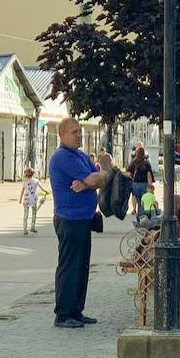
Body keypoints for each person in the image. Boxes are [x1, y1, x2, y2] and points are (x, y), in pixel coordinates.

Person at [49, 118, 113, 329]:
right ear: (63, 135)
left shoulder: (80, 155)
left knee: (82, 266)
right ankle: (64, 314)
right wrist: (91, 180)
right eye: (74, 132)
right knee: (69, 266)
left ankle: (77, 310)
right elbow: (97, 178)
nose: (79, 135)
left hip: (84, 219)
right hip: (69, 219)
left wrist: (87, 181)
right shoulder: (63, 157)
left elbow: (103, 177)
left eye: (80, 131)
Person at [126, 146, 155, 224]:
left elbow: (129, 173)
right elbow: (149, 175)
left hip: (135, 185)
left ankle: (139, 218)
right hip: (144, 185)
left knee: (139, 202)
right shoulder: (146, 163)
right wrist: (150, 185)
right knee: (143, 203)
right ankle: (142, 219)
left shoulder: (133, 162)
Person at [18, 167, 48, 235]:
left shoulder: (25, 182)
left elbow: (22, 191)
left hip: (26, 200)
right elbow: (42, 188)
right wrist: (45, 191)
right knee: (34, 214)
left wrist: (20, 199)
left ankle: (25, 229)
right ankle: (32, 227)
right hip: (34, 199)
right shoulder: (36, 181)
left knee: (26, 215)